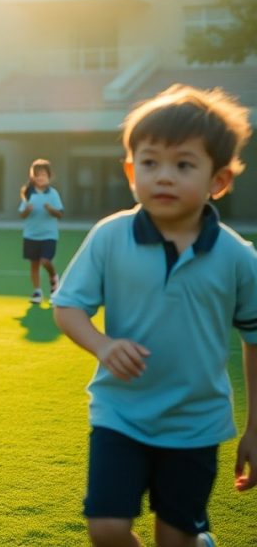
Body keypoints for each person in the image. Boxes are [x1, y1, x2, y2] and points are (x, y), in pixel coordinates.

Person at [53, 84, 257, 547]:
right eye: (150, 163)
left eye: (183, 164)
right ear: (130, 170)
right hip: (120, 413)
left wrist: (255, 429)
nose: (164, 176)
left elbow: (254, 338)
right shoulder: (110, 236)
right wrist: (103, 345)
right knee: (106, 529)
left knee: (174, 537)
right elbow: (68, 307)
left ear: (218, 181)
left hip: (196, 423)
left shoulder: (237, 257)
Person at [18, 158, 64, 304]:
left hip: (49, 235)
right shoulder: (28, 194)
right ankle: (37, 292)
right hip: (31, 235)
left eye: (43, 174)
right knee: (34, 264)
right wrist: (27, 210)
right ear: (33, 177)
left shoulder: (53, 193)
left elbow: (60, 214)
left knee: (45, 261)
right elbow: (22, 214)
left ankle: (54, 278)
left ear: (49, 176)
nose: (40, 177)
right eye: (37, 175)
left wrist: (51, 209)